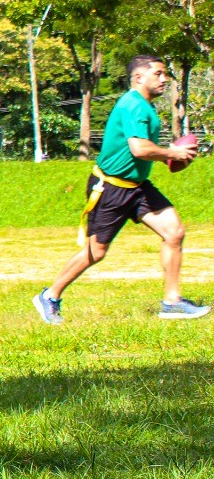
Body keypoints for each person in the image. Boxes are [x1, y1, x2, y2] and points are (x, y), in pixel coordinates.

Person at [34, 55, 208, 324]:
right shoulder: (133, 105)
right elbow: (139, 149)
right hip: (111, 188)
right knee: (96, 251)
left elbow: (142, 151)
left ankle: (172, 303)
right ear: (139, 77)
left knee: (174, 232)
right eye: (158, 74)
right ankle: (49, 296)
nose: (164, 79)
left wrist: (171, 156)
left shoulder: (146, 106)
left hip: (137, 187)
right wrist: (172, 153)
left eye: (165, 74)